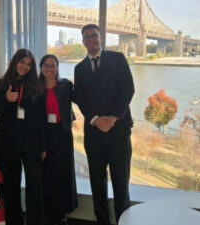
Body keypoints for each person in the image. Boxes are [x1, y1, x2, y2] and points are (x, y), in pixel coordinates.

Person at [74, 24, 135, 225]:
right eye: (87, 37)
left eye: (94, 36)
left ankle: (122, 221)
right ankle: (101, 221)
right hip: (94, 133)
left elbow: (128, 89)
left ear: (101, 38)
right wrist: (95, 120)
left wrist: (113, 118)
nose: (91, 39)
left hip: (119, 131)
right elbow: (80, 99)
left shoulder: (118, 59)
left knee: (120, 182)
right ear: (83, 41)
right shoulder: (79, 68)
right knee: (96, 182)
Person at [0, 49, 46, 225]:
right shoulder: (1, 84)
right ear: (15, 62)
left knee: (35, 186)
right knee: (11, 187)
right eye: (22, 62)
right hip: (9, 144)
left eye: (29, 64)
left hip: (31, 144)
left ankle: (34, 221)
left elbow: (41, 119)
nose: (25, 66)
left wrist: (43, 146)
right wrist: (6, 100)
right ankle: (13, 221)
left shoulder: (36, 86)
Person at [39, 54, 77, 225]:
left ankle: (62, 212)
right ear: (41, 67)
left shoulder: (66, 85)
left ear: (57, 67)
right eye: (46, 65)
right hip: (43, 133)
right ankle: (48, 212)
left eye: (53, 65)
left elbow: (83, 99)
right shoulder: (36, 87)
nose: (49, 68)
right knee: (46, 173)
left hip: (62, 134)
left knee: (63, 172)